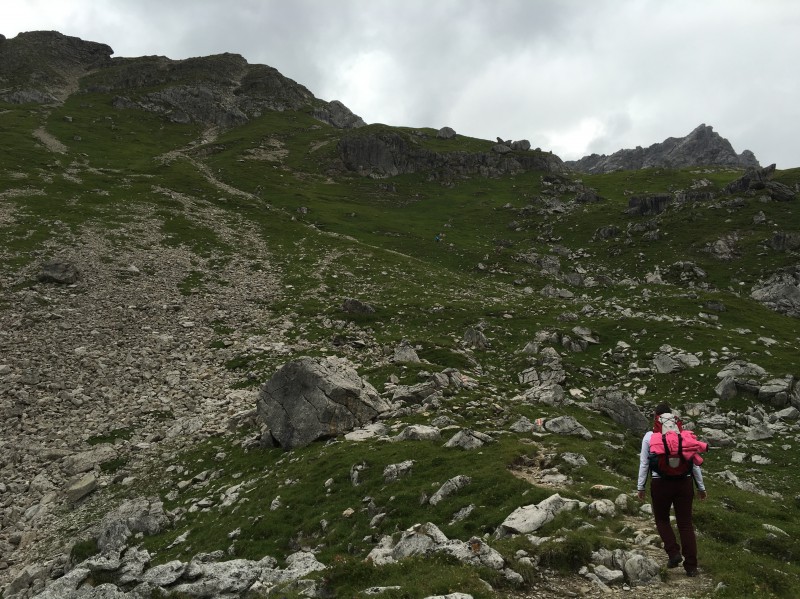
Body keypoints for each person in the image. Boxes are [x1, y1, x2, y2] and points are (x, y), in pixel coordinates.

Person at [637, 403, 707, 577]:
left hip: (660, 484)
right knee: (685, 524)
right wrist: (701, 486)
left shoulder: (649, 436)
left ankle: (673, 553)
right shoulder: (684, 435)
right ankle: (691, 567)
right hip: (684, 482)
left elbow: (644, 463)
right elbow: (694, 463)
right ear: (672, 417)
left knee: (662, 520)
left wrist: (640, 487)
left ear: (656, 417)